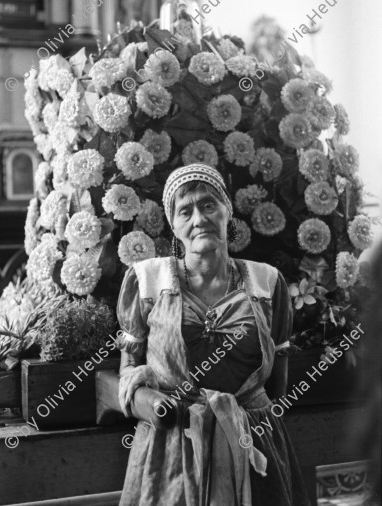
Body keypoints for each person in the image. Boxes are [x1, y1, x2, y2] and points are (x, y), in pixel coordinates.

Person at [117, 163, 311, 506]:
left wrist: (243, 423)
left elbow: (278, 388)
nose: (198, 219)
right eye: (185, 210)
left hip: (256, 444)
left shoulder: (267, 282)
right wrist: (153, 404)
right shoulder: (147, 281)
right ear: (173, 224)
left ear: (227, 212)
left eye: (209, 205)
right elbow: (128, 374)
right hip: (173, 450)